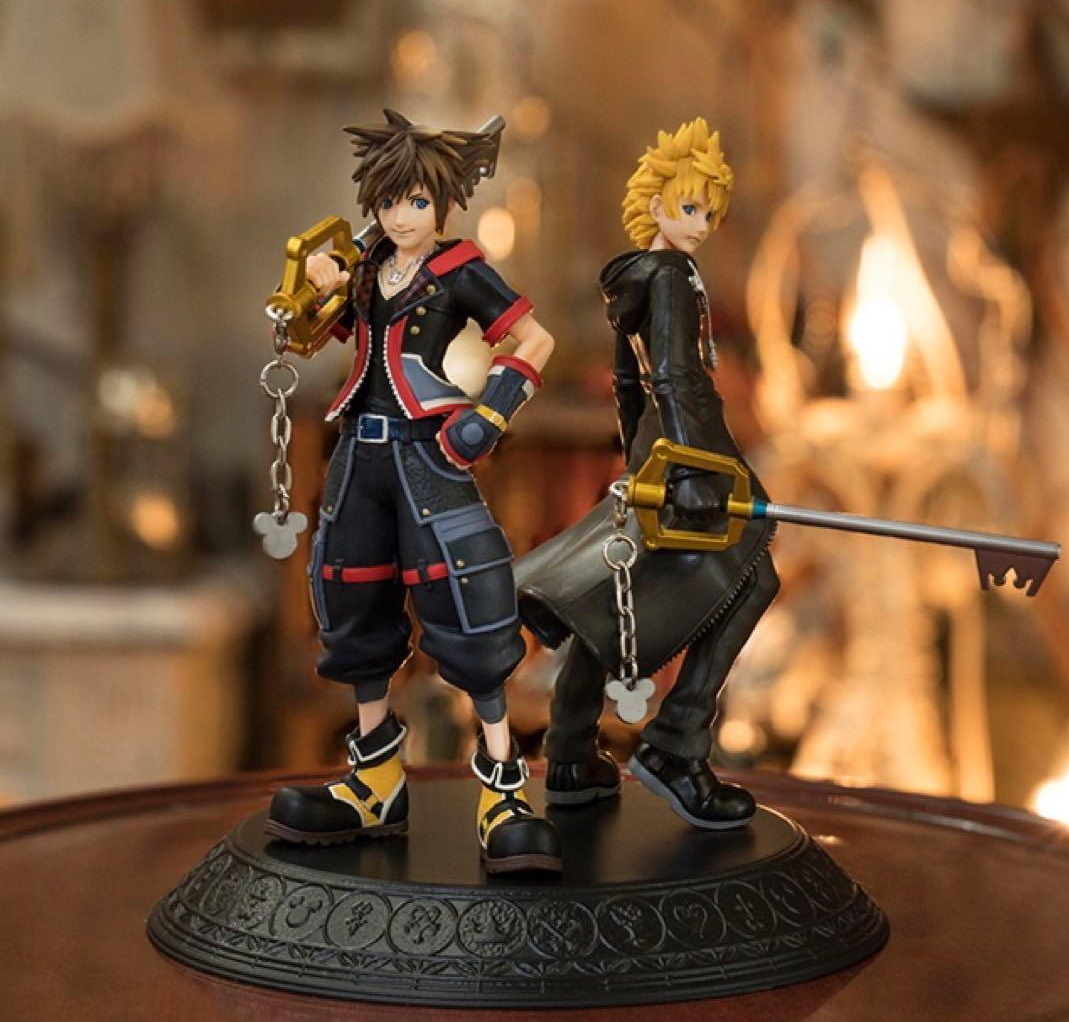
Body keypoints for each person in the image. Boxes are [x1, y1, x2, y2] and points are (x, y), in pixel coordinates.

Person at [266, 110, 561, 874]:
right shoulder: (366, 262)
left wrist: (489, 416)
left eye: (417, 201)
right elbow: (319, 332)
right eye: (389, 200)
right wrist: (316, 290)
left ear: (443, 203)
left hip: (427, 453)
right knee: (351, 598)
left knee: (470, 602)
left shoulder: (460, 268)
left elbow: (535, 340)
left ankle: (502, 789)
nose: (401, 216)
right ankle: (375, 783)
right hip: (357, 454)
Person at [515, 118, 779, 830]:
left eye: (708, 213)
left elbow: (629, 384)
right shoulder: (667, 279)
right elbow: (670, 373)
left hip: (665, 449)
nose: (699, 224)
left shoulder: (638, 279)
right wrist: (691, 469)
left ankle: (570, 752)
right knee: (755, 578)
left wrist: (642, 454)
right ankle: (675, 744)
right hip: (692, 451)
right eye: (688, 207)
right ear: (656, 203)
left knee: (613, 589)